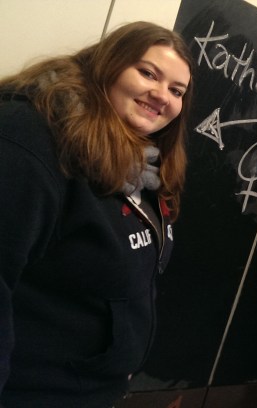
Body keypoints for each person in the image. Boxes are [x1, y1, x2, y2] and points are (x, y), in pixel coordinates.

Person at [0, 21, 193, 408]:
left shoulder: (140, 165)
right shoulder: (30, 137)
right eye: (148, 73)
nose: (162, 96)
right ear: (108, 64)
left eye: (177, 91)